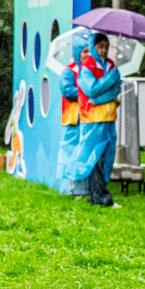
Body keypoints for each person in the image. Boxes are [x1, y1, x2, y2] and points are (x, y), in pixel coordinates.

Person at [67, 33, 122, 207]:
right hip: (92, 119)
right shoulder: (87, 67)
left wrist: (99, 99)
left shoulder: (110, 65)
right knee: (94, 157)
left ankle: (96, 193)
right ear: (94, 47)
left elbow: (115, 90)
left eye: (106, 46)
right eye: (100, 47)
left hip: (108, 118)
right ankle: (100, 196)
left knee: (106, 156)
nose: (104, 50)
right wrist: (111, 78)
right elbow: (92, 89)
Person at [56, 33, 90, 196]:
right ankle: (71, 187)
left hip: (89, 117)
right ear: (77, 52)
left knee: (85, 152)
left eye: (90, 51)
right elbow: (68, 91)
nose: (87, 55)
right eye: (84, 51)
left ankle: (85, 187)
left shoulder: (92, 71)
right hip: (74, 118)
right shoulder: (69, 72)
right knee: (71, 152)